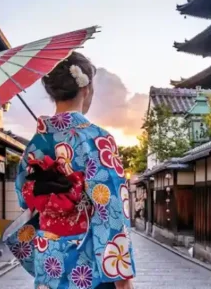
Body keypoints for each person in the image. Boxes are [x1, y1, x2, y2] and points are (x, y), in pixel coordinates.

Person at [12, 52, 135, 289]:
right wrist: (123, 280)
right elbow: (111, 212)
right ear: (86, 89)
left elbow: (24, 198)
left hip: (49, 261)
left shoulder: (34, 145)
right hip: (88, 267)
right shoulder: (98, 140)